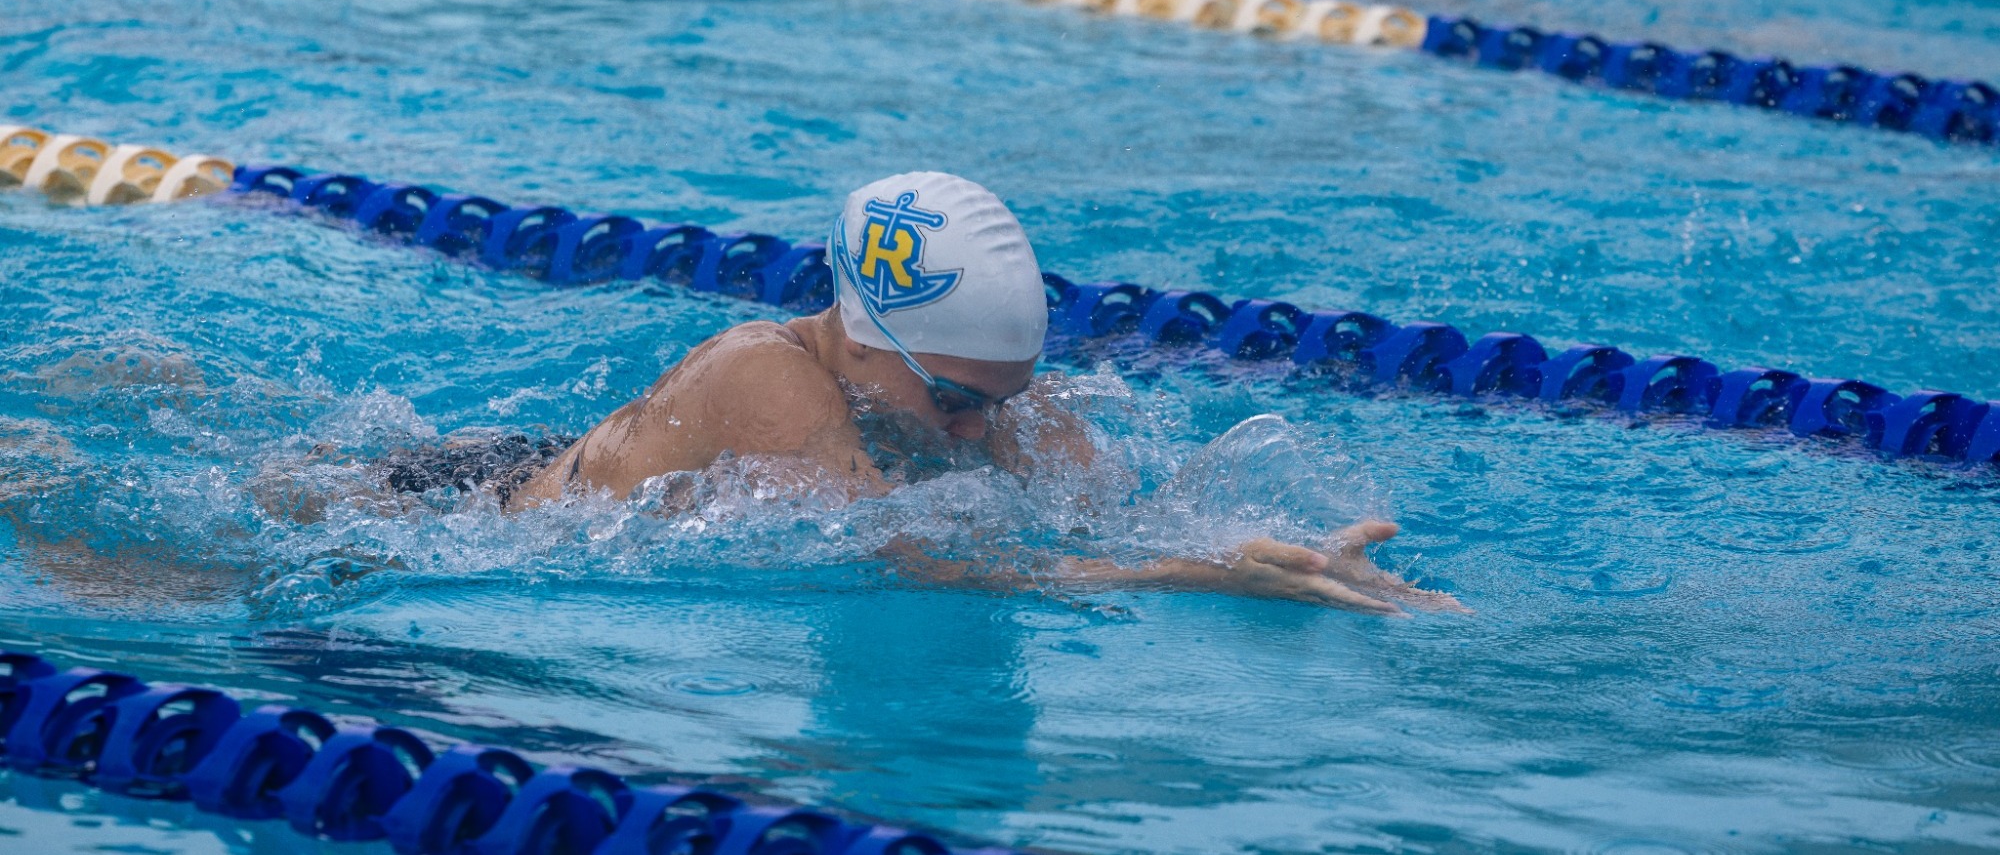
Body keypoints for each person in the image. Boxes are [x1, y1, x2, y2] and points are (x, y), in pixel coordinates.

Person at [504, 171, 1462, 616]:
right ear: (866, 342)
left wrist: (1285, 560)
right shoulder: (764, 375)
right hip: (475, 503)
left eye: (1004, 398)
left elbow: (1108, 527)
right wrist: (1194, 578)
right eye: (958, 398)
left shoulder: (984, 404)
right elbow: (906, 557)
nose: (982, 428)